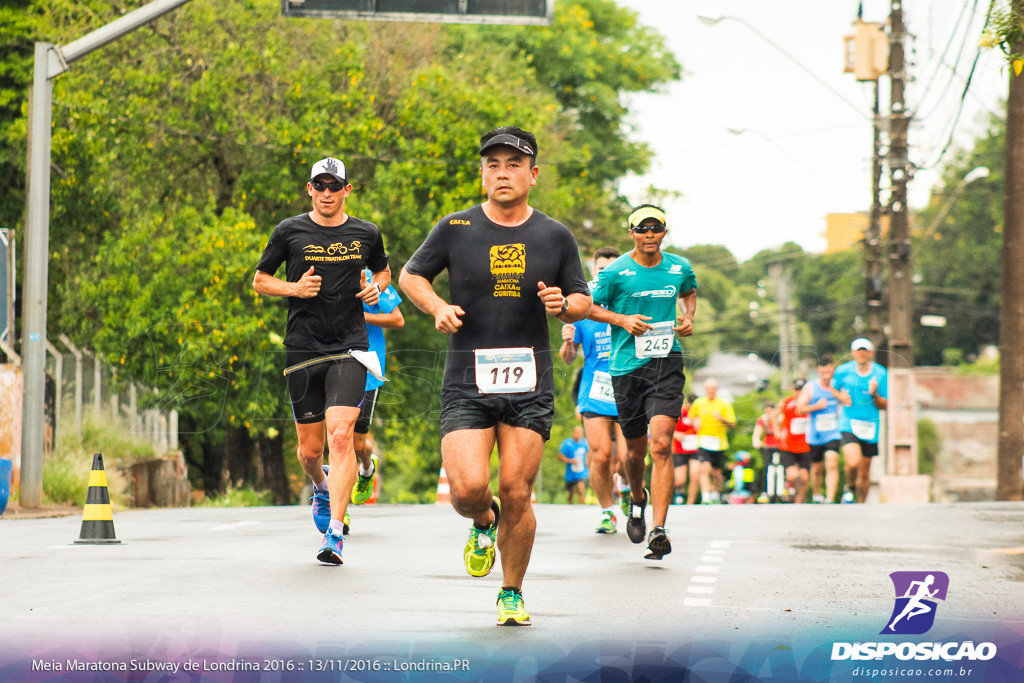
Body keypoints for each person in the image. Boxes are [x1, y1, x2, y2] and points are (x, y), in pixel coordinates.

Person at [399, 126, 592, 626]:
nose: (501, 173)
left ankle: (511, 591)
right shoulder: (455, 228)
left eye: (512, 164)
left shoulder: (554, 235)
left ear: (533, 174)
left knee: (517, 491)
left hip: (530, 383)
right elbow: (410, 275)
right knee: (467, 489)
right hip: (467, 378)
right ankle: (483, 522)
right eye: (492, 164)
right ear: (482, 173)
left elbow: (582, 298)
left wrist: (564, 306)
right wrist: (436, 305)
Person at [253, 157, 390, 565]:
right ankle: (320, 485)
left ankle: (335, 532)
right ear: (309, 189)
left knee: (342, 435)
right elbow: (260, 280)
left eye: (336, 186)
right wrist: (294, 288)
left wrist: (374, 289)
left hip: (350, 346)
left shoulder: (366, 232)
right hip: (303, 347)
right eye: (320, 186)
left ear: (348, 190)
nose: (328, 193)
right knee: (310, 452)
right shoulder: (290, 230)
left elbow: (383, 273)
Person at [590, 204, 698, 560]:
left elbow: (689, 291)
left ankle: (659, 528)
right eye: (642, 229)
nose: (649, 234)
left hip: (666, 363)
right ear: (631, 233)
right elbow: (586, 306)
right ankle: (637, 498)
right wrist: (621, 320)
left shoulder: (679, 267)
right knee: (633, 453)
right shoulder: (616, 272)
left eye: (656, 228)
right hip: (626, 370)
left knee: (662, 445)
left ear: (664, 232)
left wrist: (688, 318)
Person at [559, 246, 627, 533]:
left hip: (628, 385)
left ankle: (630, 490)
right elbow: (568, 357)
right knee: (600, 456)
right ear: (593, 270)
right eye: (601, 267)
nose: (605, 271)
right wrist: (566, 342)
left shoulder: (628, 301)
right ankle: (607, 512)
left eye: (612, 267)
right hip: (595, 389)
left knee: (627, 458)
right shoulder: (581, 306)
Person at [349, 268, 405, 518]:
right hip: (332, 362)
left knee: (357, 442)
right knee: (338, 438)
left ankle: (367, 468)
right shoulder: (321, 271)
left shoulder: (371, 278)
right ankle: (339, 510)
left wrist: (360, 317)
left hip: (366, 366)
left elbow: (397, 319)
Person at [833, 338, 888, 504]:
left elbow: (885, 404)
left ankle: (861, 504)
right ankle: (850, 486)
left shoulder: (880, 373)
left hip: (870, 426)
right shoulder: (843, 371)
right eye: (858, 350)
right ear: (853, 353)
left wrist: (874, 393)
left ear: (870, 353)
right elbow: (831, 390)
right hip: (849, 422)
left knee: (865, 472)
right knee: (853, 462)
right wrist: (841, 396)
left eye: (865, 350)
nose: (862, 353)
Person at [796, 354, 843, 504]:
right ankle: (816, 493)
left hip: (833, 432)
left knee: (831, 462)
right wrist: (817, 406)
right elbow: (799, 409)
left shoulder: (837, 385)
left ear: (833, 371)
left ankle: (829, 498)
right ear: (818, 371)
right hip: (815, 434)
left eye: (829, 373)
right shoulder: (811, 387)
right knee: (816, 468)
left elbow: (847, 400)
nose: (826, 376)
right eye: (823, 373)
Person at [689, 379, 736, 504]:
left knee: (716, 472)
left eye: (713, 388)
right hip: (703, 441)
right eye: (708, 388)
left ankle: (717, 492)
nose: (710, 390)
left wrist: (722, 419)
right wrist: (695, 422)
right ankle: (705, 496)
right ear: (705, 389)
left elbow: (732, 423)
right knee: (705, 468)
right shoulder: (698, 403)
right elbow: (691, 417)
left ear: (716, 389)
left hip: (719, 443)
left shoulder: (724, 404)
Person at [776, 378, 810, 503]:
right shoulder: (787, 402)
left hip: (805, 445)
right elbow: (773, 415)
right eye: (797, 389)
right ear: (792, 389)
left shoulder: (810, 403)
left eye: (802, 389)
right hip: (788, 445)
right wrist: (777, 432)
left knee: (805, 477)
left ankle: (799, 501)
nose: (799, 392)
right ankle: (790, 489)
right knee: (792, 475)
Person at [671, 394, 700, 504]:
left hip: (695, 449)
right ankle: (678, 494)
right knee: (680, 479)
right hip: (680, 448)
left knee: (695, 474)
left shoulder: (699, 415)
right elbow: (670, 428)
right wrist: (677, 434)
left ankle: (690, 502)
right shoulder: (681, 412)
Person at [752, 401, 782, 501]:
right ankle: (764, 491)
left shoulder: (780, 419)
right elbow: (757, 431)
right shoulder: (763, 419)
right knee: (766, 467)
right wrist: (756, 440)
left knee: (784, 465)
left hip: (779, 446)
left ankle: (785, 488)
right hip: (767, 446)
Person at [558, 425, 589, 504]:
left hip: (582, 472)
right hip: (570, 473)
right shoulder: (567, 443)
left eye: (580, 432)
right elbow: (560, 457)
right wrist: (570, 460)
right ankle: (570, 507)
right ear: (573, 433)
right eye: (576, 432)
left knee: (581, 489)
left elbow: (589, 454)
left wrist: (588, 461)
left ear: (582, 434)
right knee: (571, 493)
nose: (577, 434)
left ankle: (581, 509)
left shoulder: (585, 443)